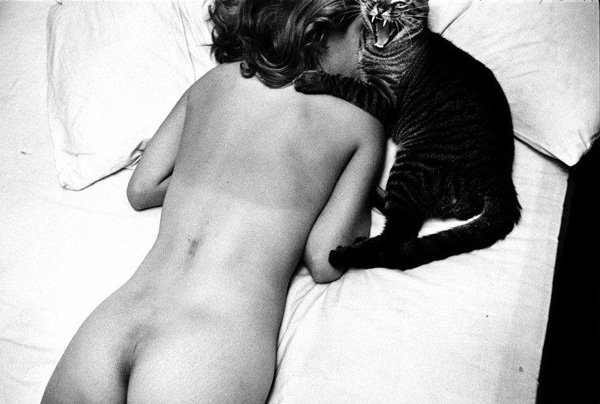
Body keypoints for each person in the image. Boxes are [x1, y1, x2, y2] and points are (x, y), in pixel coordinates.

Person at [41, 0, 384, 402]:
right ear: (321, 30)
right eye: (364, 35)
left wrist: (207, 183)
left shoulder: (214, 81)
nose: (371, 53)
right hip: (210, 342)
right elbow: (326, 260)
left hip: (114, 323)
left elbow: (141, 189)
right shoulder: (359, 120)